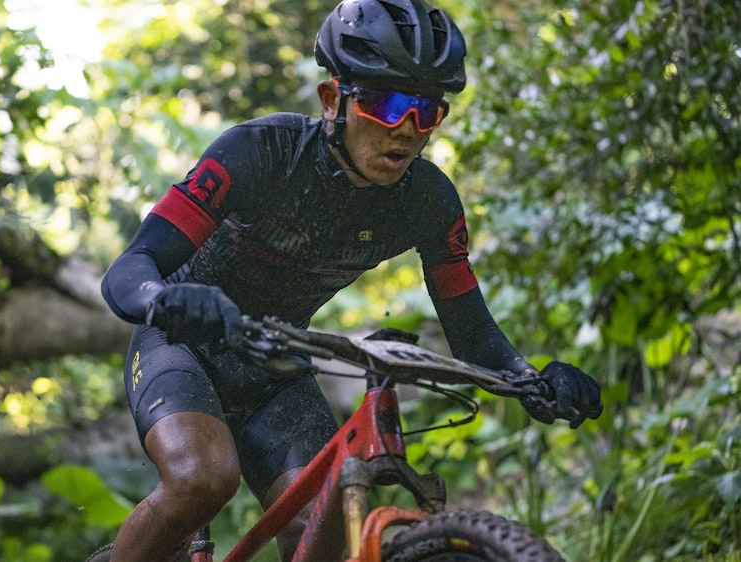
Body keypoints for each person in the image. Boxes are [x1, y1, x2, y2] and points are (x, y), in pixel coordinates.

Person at [97, 0, 603, 559]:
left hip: (275, 367)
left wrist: (534, 381)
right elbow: (130, 268)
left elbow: (472, 331)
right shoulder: (259, 152)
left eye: (427, 111)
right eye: (387, 105)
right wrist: (165, 299)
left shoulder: (429, 203)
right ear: (333, 99)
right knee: (202, 480)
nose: (407, 130)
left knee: (324, 522)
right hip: (181, 342)